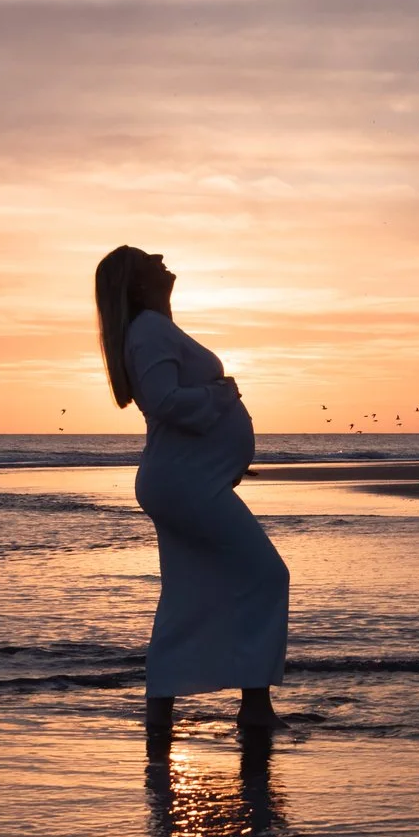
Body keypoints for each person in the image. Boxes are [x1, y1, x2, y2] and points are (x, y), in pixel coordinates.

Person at [95, 246, 290, 734]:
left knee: (188, 594)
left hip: (189, 479)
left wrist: (221, 460)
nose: (160, 256)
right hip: (185, 482)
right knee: (266, 576)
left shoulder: (152, 329)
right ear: (137, 284)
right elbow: (164, 401)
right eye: (147, 259)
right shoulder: (150, 330)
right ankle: (254, 707)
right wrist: (221, 394)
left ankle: (162, 712)